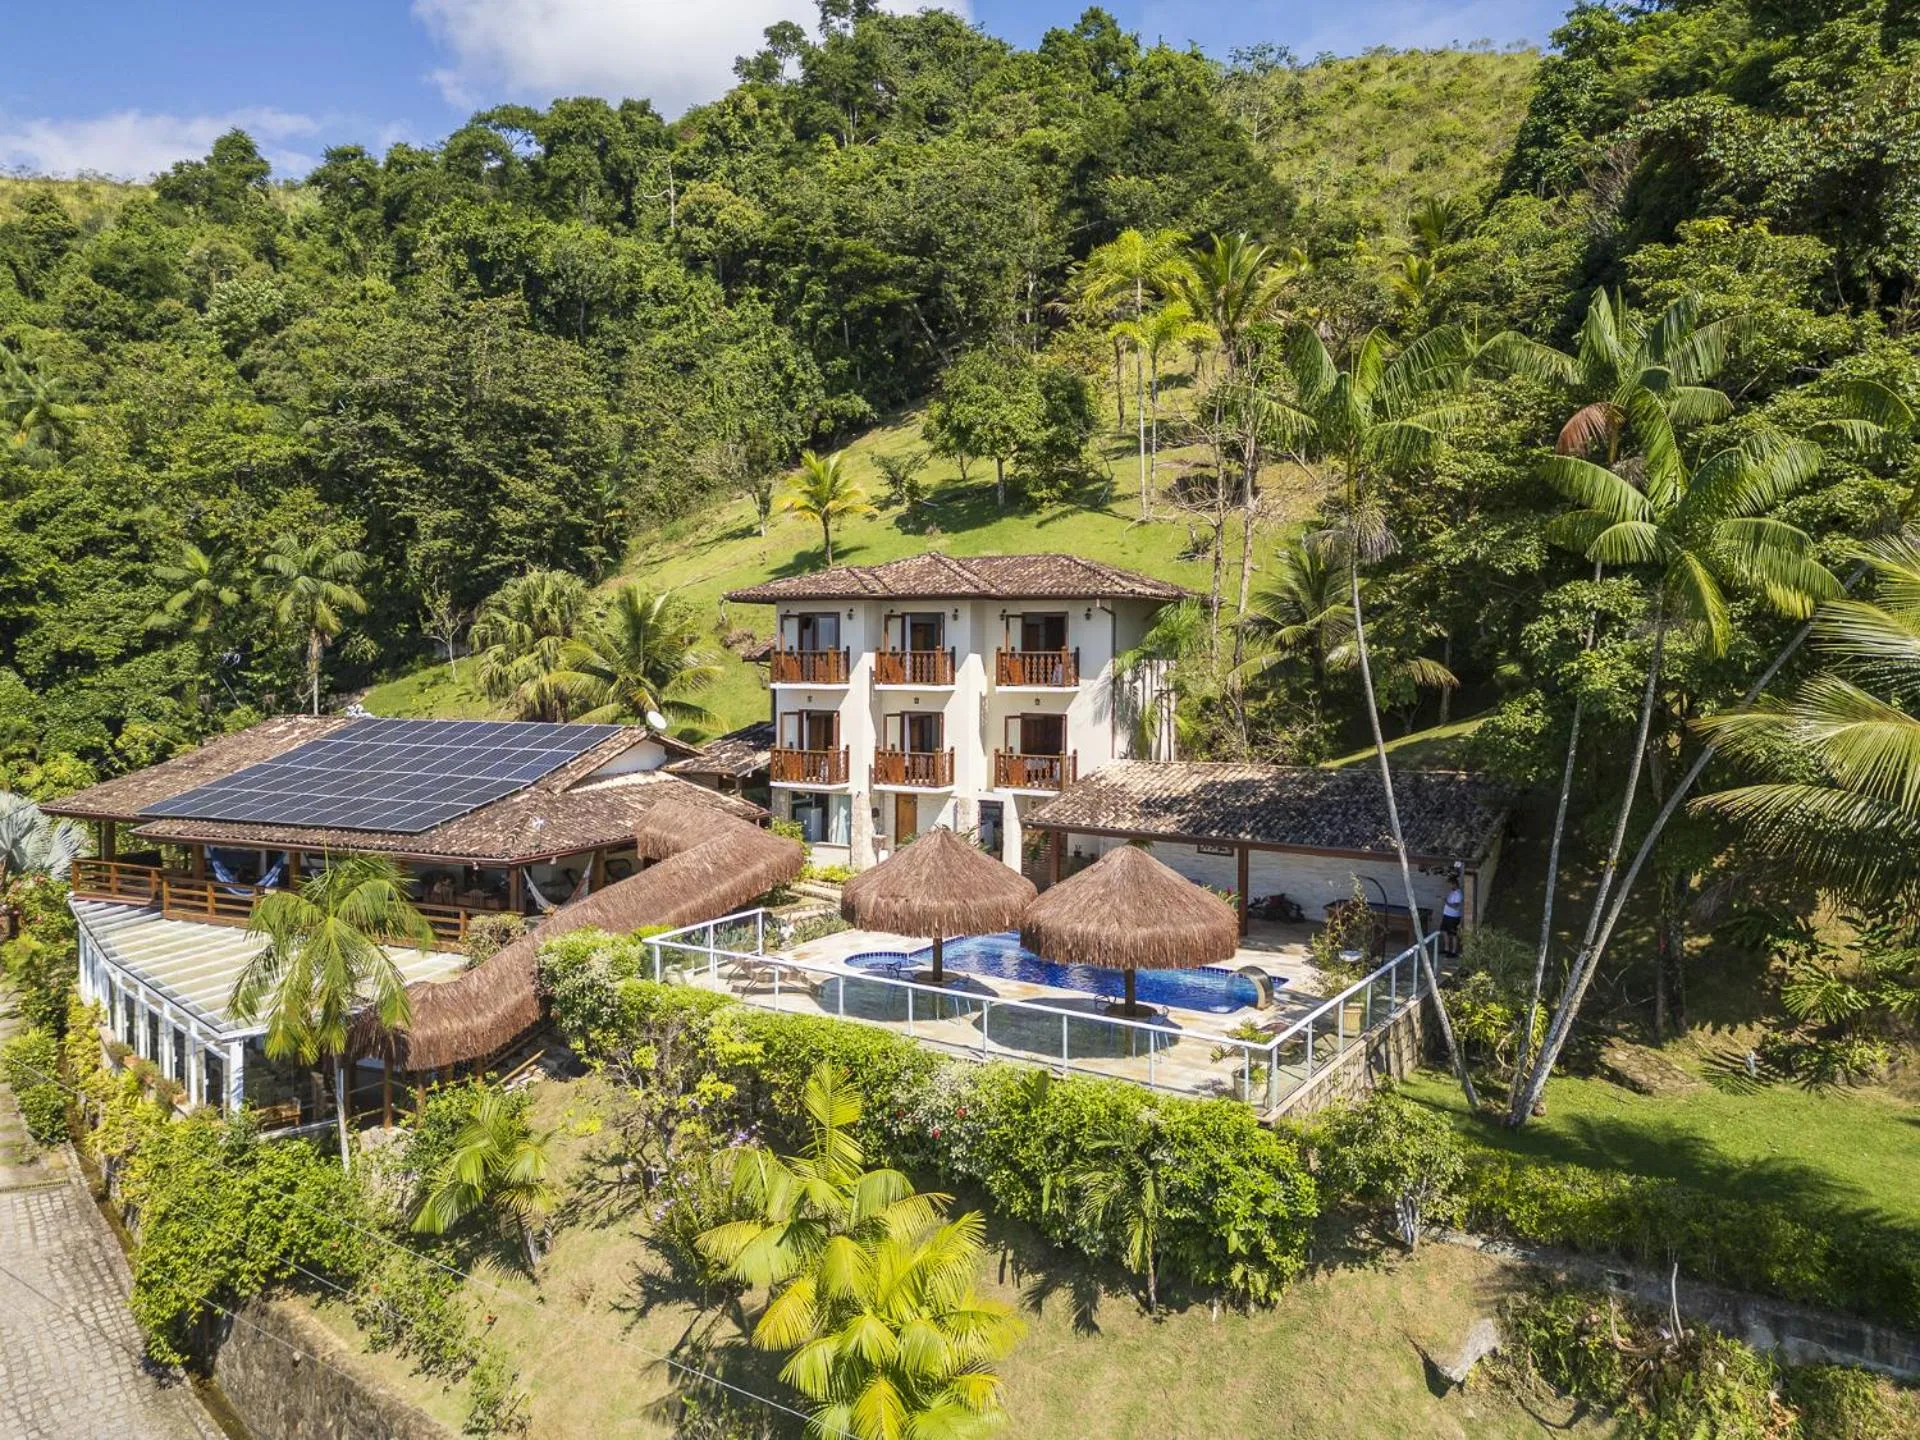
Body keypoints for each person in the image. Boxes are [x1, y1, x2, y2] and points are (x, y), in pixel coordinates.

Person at [1440, 874, 1465, 958]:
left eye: (1450, 884)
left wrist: (1445, 901)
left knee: (1453, 934)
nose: (1449, 886)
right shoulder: (1451, 892)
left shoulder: (1458, 894)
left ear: (1454, 884)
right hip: (1447, 915)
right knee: (1444, 931)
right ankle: (1446, 949)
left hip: (1453, 917)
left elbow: (1456, 906)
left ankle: (1453, 951)